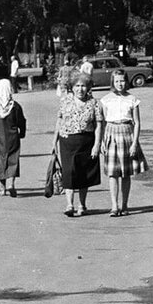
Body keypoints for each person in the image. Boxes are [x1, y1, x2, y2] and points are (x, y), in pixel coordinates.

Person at [96, 69, 145, 217]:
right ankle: (114, 205)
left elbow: (137, 122)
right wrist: (103, 141)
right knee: (113, 172)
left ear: (126, 81)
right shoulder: (105, 100)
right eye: (117, 81)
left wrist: (134, 143)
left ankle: (124, 205)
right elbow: (102, 122)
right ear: (112, 82)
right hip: (111, 133)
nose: (120, 84)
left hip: (127, 134)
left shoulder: (132, 99)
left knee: (125, 173)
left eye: (122, 80)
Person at [54, 72, 100, 217]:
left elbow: (99, 124)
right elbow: (59, 121)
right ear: (72, 87)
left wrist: (97, 144)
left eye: (83, 86)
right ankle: (69, 204)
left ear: (88, 88)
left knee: (84, 174)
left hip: (87, 141)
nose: (80, 89)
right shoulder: (65, 101)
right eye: (77, 86)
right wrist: (54, 141)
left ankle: (82, 204)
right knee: (69, 173)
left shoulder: (94, 103)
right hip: (67, 141)